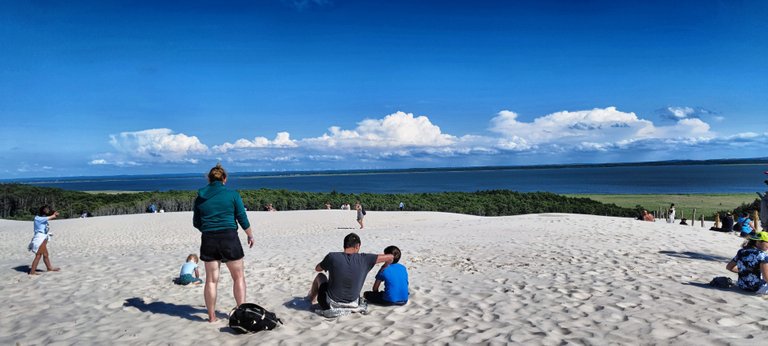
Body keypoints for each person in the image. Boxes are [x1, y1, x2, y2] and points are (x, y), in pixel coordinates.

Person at [193, 163, 255, 323]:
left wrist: (208, 230)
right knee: (238, 277)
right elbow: (242, 217)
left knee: (211, 280)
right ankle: (241, 313)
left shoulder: (200, 197)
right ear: (224, 179)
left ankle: (212, 317)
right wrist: (250, 235)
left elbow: (196, 222)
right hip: (229, 238)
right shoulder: (233, 194)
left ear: (209, 179)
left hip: (209, 239)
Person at [307, 233, 393, 310]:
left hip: (329, 304)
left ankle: (311, 299)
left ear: (344, 245)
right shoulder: (366, 259)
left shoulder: (332, 257)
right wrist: (384, 266)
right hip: (353, 303)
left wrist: (327, 263)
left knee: (320, 276)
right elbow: (390, 257)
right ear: (357, 246)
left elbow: (317, 269)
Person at [27, 205, 60, 275]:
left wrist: (53, 213)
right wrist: (54, 214)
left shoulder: (42, 218)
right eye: (46, 210)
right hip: (39, 238)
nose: (48, 211)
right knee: (38, 255)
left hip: (43, 237)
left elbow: (51, 216)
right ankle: (32, 272)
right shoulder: (38, 218)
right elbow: (53, 216)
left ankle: (49, 268)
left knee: (45, 254)